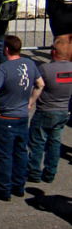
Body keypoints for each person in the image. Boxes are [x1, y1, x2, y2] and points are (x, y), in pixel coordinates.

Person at [0, 35, 41, 201]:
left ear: (7, 49)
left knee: (4, 155)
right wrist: (30, 102)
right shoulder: (30, 64)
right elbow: (40, 84)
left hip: (6, 117)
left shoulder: (3, 68)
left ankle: (4, 190)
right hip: (22, 117)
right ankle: (19, 186)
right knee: (20, 152)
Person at [27, 37, 72, 184]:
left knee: (37, 142)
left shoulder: (45, 69)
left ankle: (34, 172)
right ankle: (50, 173)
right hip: (63, 111)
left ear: (53, 52)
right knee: (54, 143)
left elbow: (35, 85)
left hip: (45, 110)